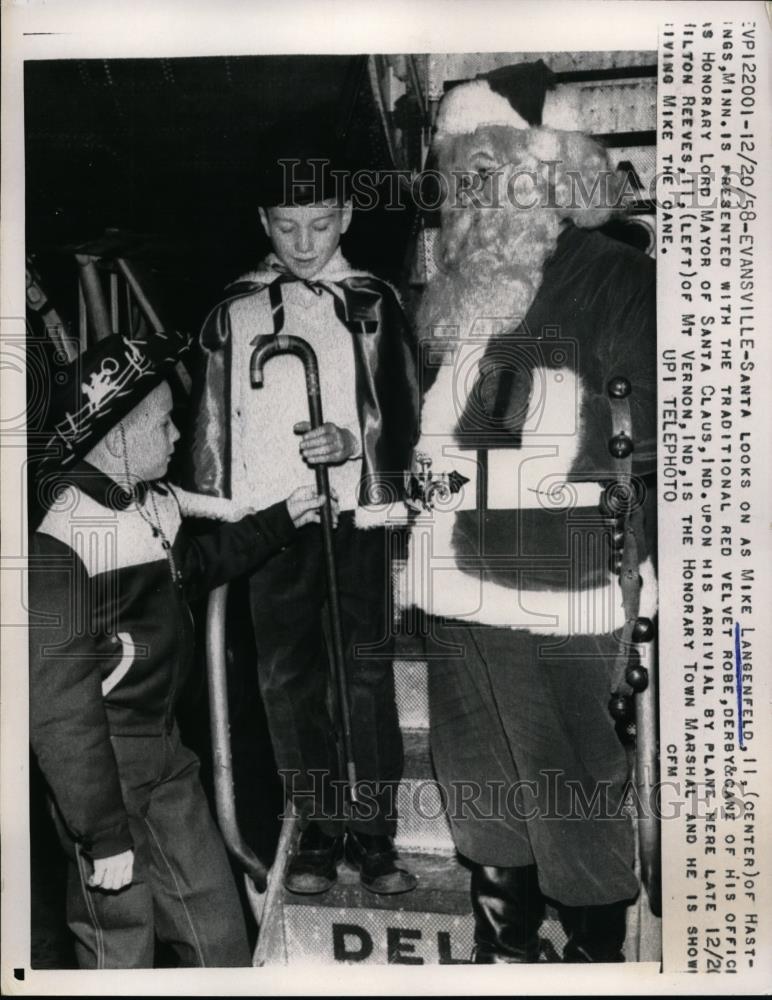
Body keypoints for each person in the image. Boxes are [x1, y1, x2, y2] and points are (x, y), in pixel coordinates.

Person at [401, 63, 657, 961]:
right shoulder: (459, 287)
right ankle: (505, 953)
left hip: (558, 593)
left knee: (572, 797)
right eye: (461, 172)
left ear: (552, 166)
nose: (471, 190)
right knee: (479, 792)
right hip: (452, 592)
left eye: (491, 166)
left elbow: (656, 447)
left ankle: (589, 961)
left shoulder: (618, 277)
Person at [28, 330, 334, 968]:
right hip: (101, 765)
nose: (175, 437)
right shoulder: (62, 540)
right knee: (120, 942)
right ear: (117, 438)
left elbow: (194, 565)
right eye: (165, 424)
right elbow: (58, 710)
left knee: (218, 930)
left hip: (167, 748)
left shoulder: (149, 504)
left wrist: (278, 521)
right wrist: (102, 832)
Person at [190, 147, 420, 895]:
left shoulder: (372, 300)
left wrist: (356, 448)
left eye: (319, 225)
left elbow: (403, 415)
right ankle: (317, 828)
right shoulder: (236, 311)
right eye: (286, 226)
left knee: (364, 675)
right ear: (264, 222)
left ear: (345, 218)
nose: (302, 242)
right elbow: (214, 430)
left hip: (354, 517)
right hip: (273, 524)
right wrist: (230, 521)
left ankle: (375, 833)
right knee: (286, 678)